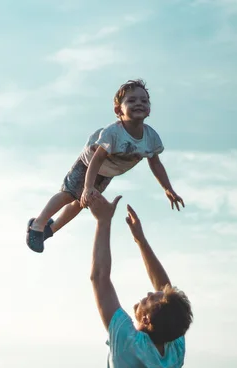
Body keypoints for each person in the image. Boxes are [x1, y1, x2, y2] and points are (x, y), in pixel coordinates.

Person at [26, 79, 184, 253]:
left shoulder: (151, 137)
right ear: (118, 110)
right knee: (69, 195)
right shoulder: (113, 133)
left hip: (108, 172)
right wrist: (87, 187)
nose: (139, 103)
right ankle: (37, 224)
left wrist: (168, 189)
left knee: (81, 203)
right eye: (131, 100)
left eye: (143, 100)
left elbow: (155, 163)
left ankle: (50, 229)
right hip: (89, 164)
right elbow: (97, 158)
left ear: (149, 109)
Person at [86, 193, 193, 368]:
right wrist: (140, 240)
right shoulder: (174, 350)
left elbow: (99, 278)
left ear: (146, 318)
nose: (147, 293)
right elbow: (165, 289)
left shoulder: (128, 343)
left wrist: (103, 221)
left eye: (149, 298)